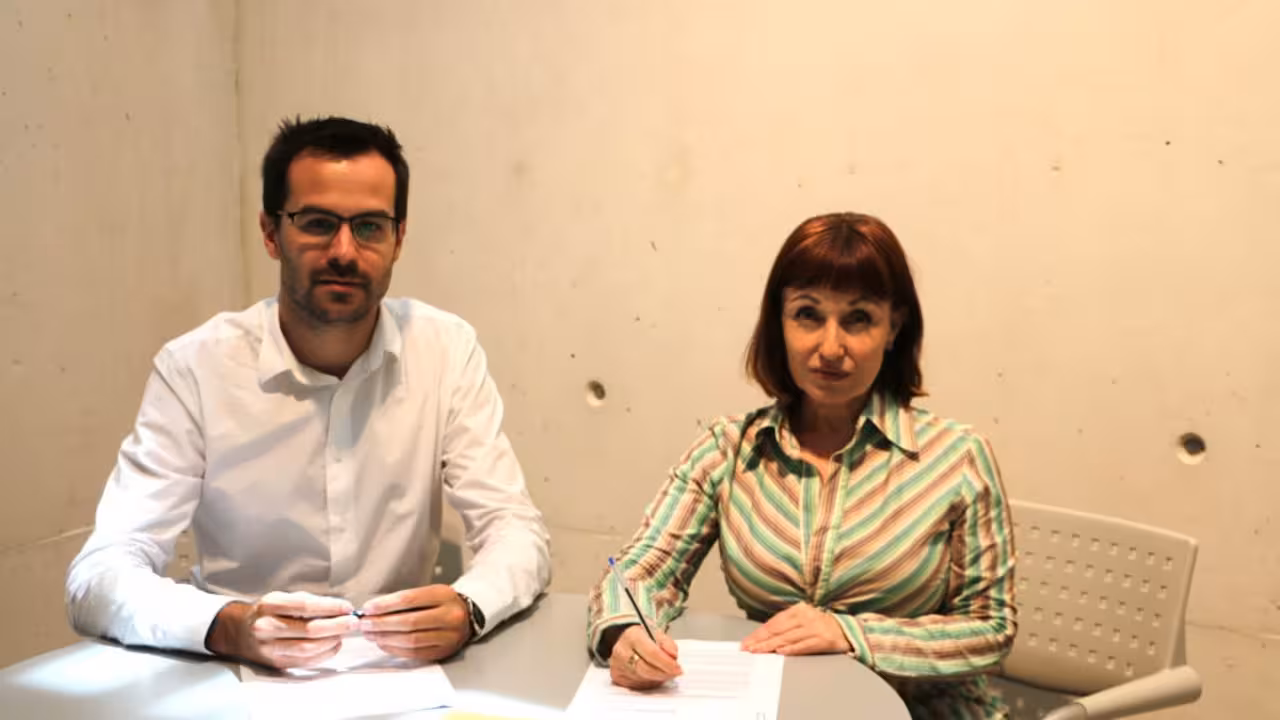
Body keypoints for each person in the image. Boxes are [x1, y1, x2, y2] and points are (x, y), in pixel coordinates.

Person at [67, 116, 550, 670]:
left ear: (398, 239)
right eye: (318, 223)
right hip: (234, 674)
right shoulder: (196, 368)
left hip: (398, 672)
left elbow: (515, 527)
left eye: (370, 226)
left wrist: (469, 606)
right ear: (271, 233)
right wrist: (229, 626)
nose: (344, 250)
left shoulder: (444, 350)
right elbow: (99, 573)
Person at [587, 212, 1016, 718]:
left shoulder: (959, 458)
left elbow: (991, 629)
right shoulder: (728, 449)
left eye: (858, 319)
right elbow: (642, 570)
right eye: (808, 314)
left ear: (893, 327)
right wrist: (626, 630)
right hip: (780, 709)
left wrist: (851, 633)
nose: (830, 348)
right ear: (780, 322)